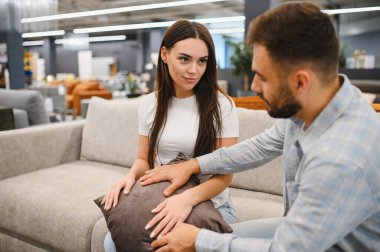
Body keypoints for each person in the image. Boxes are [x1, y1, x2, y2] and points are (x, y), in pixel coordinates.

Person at [139, 2, 380, 251]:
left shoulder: (341, 159)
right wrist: (194, 165)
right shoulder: (315, 106)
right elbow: (260, 147)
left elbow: (287, 249)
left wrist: (198, 241)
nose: (253, 86)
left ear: (300, 81)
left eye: (262, 77)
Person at [101, 19, 239, 251]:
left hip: (211, 203)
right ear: (164, 54)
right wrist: (130, 177)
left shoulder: (222, 105)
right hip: (165, 198)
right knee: (111, 242)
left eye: (202, 61)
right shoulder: (149, 104)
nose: (194, 70)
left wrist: (187, 199)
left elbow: (225, 176)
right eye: (184, 59)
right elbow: (144, 160)